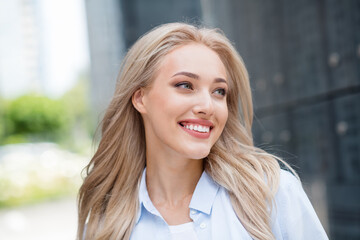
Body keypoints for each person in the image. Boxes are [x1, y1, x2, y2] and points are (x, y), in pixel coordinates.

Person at [77, 22, 328, 240]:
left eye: (219, 91)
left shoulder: (272, 194)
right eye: (185, 85)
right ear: (141, 98)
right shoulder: (106, 227)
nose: (208, 106)